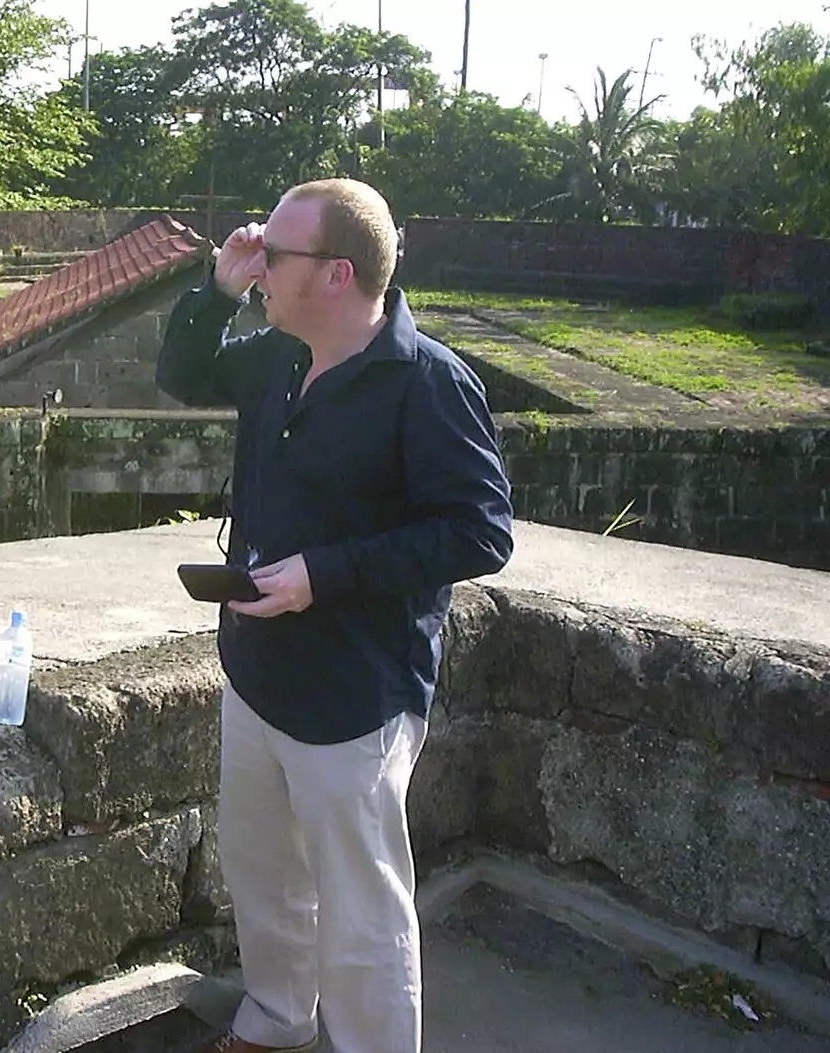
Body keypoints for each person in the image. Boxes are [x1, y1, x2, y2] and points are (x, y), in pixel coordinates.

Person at [156, 179, 514, 1053]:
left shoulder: (426, 384)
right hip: (258, 667)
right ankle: (277, 1021)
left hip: (355, 685)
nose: (261, 261)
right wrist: (218, 287)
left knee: (362, 912)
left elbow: (479, 530)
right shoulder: (279, 356)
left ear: (337, 274)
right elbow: (182, 373)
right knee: (263, 873)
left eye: (277, 253)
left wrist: (329, 572)